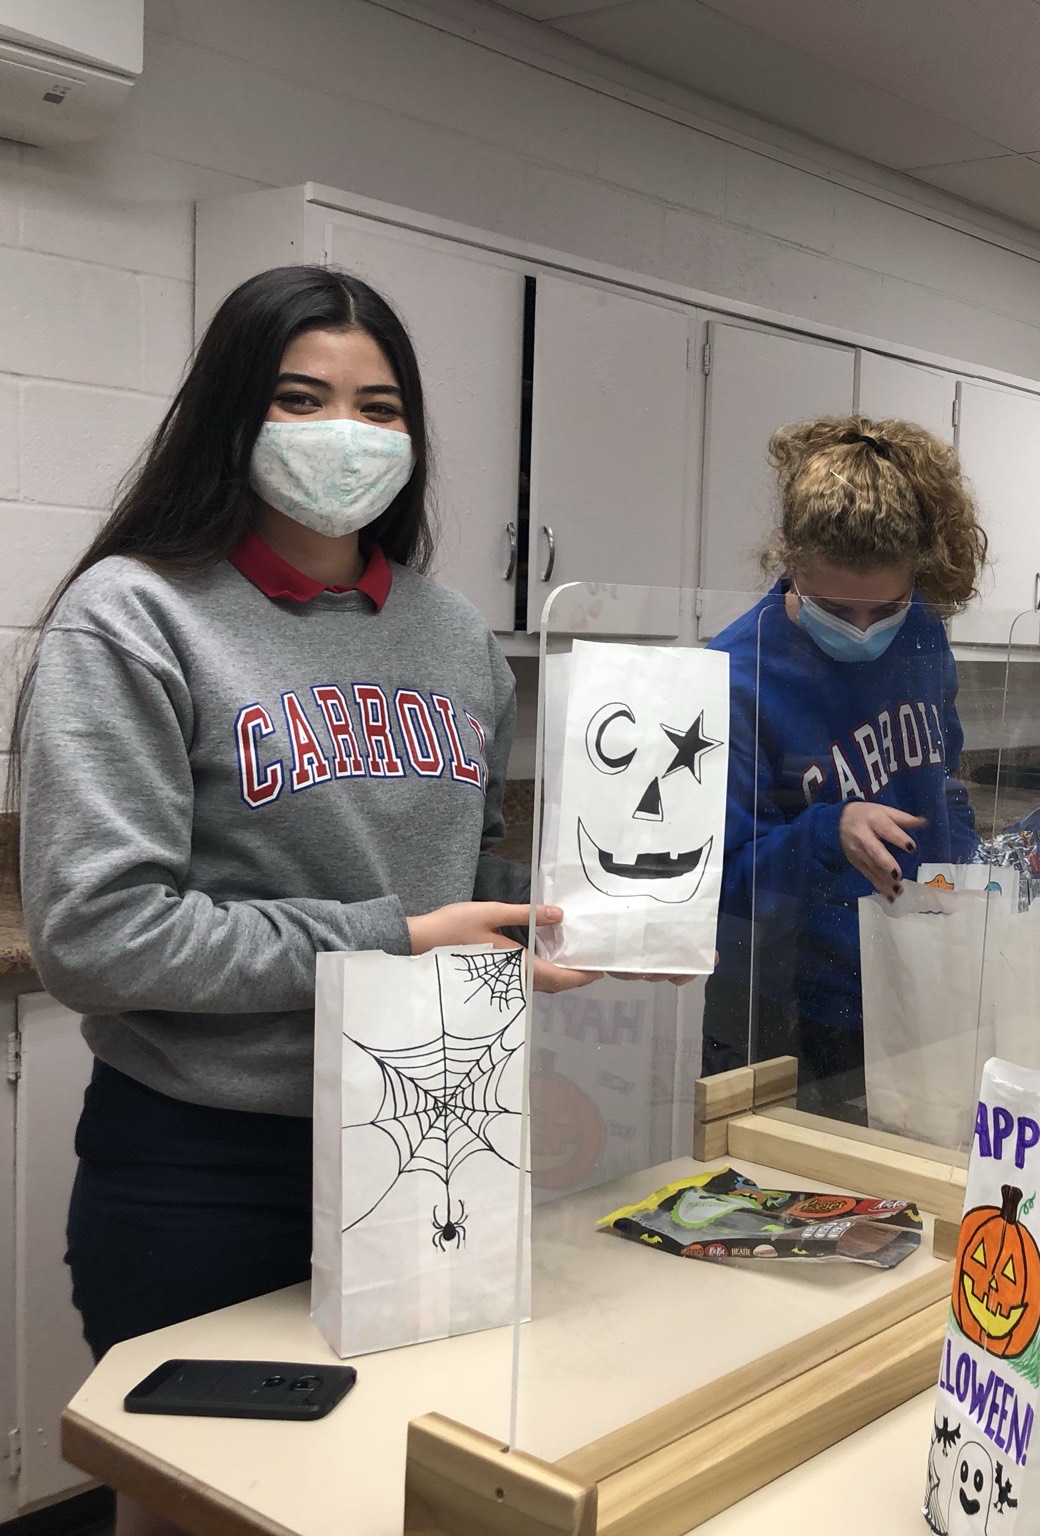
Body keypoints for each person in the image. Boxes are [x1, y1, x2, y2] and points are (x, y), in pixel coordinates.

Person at [13, 267, 601, 1395]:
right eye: (299, 399)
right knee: (191, 1494)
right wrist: (397, 940)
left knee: (392, 1479)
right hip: (206, 1168)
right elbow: (97, 937)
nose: (345, 434)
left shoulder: (458, 640)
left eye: (378, 410)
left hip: (430, 1134)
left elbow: (455, 876)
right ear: (232, 414)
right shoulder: (136, 617)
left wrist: (595, 922)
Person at [704, 417, 986, 1116]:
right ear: (785, 556)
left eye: (884, 606)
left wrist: (974, 878)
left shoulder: (922, 632)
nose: (863, 630)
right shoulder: (737, 673)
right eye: (835, 608)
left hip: (925, 971)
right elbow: (720, 881)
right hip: (797, 1006)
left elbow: (942, 778)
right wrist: (827, 831)